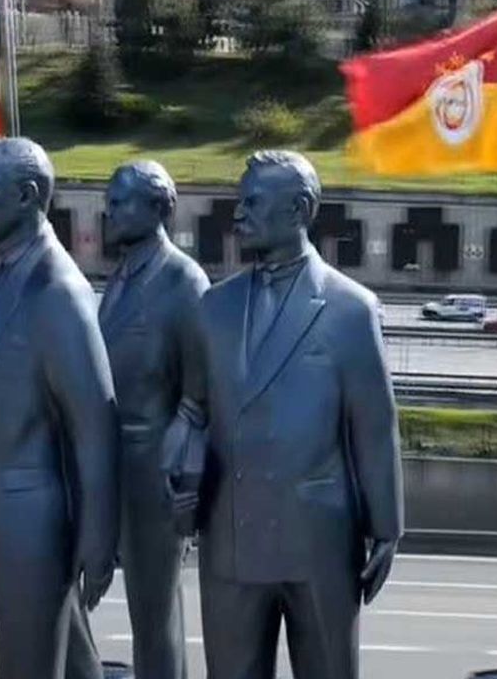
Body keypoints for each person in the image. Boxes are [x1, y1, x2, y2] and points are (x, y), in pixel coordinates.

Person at [167, 150, 404, 679]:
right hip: (231, 533)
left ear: (298, 209)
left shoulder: (350, 309)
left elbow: (373, 425)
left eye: (252, 202)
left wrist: (387, 525)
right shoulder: (214, 308)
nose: (238, 213)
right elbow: (193, 408)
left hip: (318, 539)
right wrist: (176, 462)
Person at [0, 137, 119, 679]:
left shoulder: (55, 290)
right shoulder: (8, 272)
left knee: (28, 665)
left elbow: (95, 424)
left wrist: (99, 537)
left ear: (26, 196)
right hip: (4, 513)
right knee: (73, 664)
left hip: (31, 518)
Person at [99, 161, 209, 679]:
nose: (110, 211)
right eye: (109, 201)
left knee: (154, 613)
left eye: (121, 201)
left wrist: (185, 475)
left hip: (155, 472)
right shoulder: (121, 277)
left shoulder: (183, 281)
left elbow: (200, 392)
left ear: (158, 208)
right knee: (142, 610)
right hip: (114, 466)